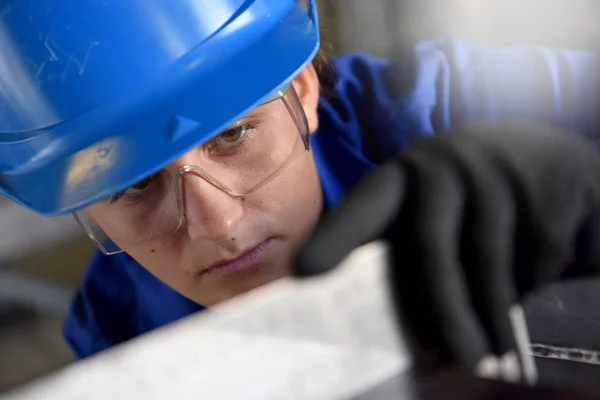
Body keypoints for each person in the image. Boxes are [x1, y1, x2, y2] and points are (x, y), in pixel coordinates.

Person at [1, 0, 599, 390]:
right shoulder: (121, 341)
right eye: (133, 184)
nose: (216, 223)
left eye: (233, 134)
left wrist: (586, 180)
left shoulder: (455, 105)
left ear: (305, 88)